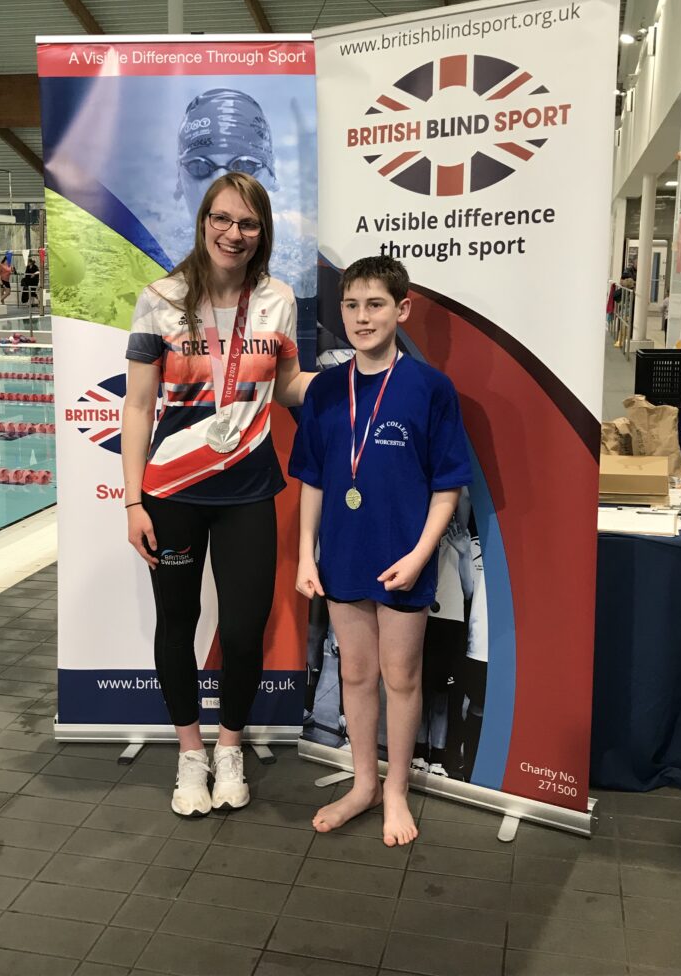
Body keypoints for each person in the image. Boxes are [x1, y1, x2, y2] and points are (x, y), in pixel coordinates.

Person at [122, 171, 313, 817]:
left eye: (249, 223)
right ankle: (190, 753)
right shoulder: (161, 298)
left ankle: (229, 744)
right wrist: (131, 500)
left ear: (263, 234)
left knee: (242, 625)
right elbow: (139, 405)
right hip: (172, 489)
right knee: (177, 622)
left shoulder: (278, 300)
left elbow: (284, 385)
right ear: (205, 220)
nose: (234, 233)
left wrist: (360, 383)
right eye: (224, 219)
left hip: (248, 487)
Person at [290, 255, 472, 846]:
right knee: (357, 673)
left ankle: (396, 790)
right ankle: (363, 782)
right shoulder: (323, 391)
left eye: (375, 305)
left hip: (402, 557)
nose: (362, 317)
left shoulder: (429, 388)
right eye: (351, 305)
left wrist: (420, 556)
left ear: (402, 309)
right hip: (342, 554)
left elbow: (447, 486)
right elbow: (313, 479)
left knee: (401, 676)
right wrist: (304, 556)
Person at [175, 89, 277, 218]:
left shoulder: (305, 234)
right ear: (180, 180)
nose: (220, 184)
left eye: (243, 167)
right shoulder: (150, 235)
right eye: (199, 168)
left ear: (272, 176)